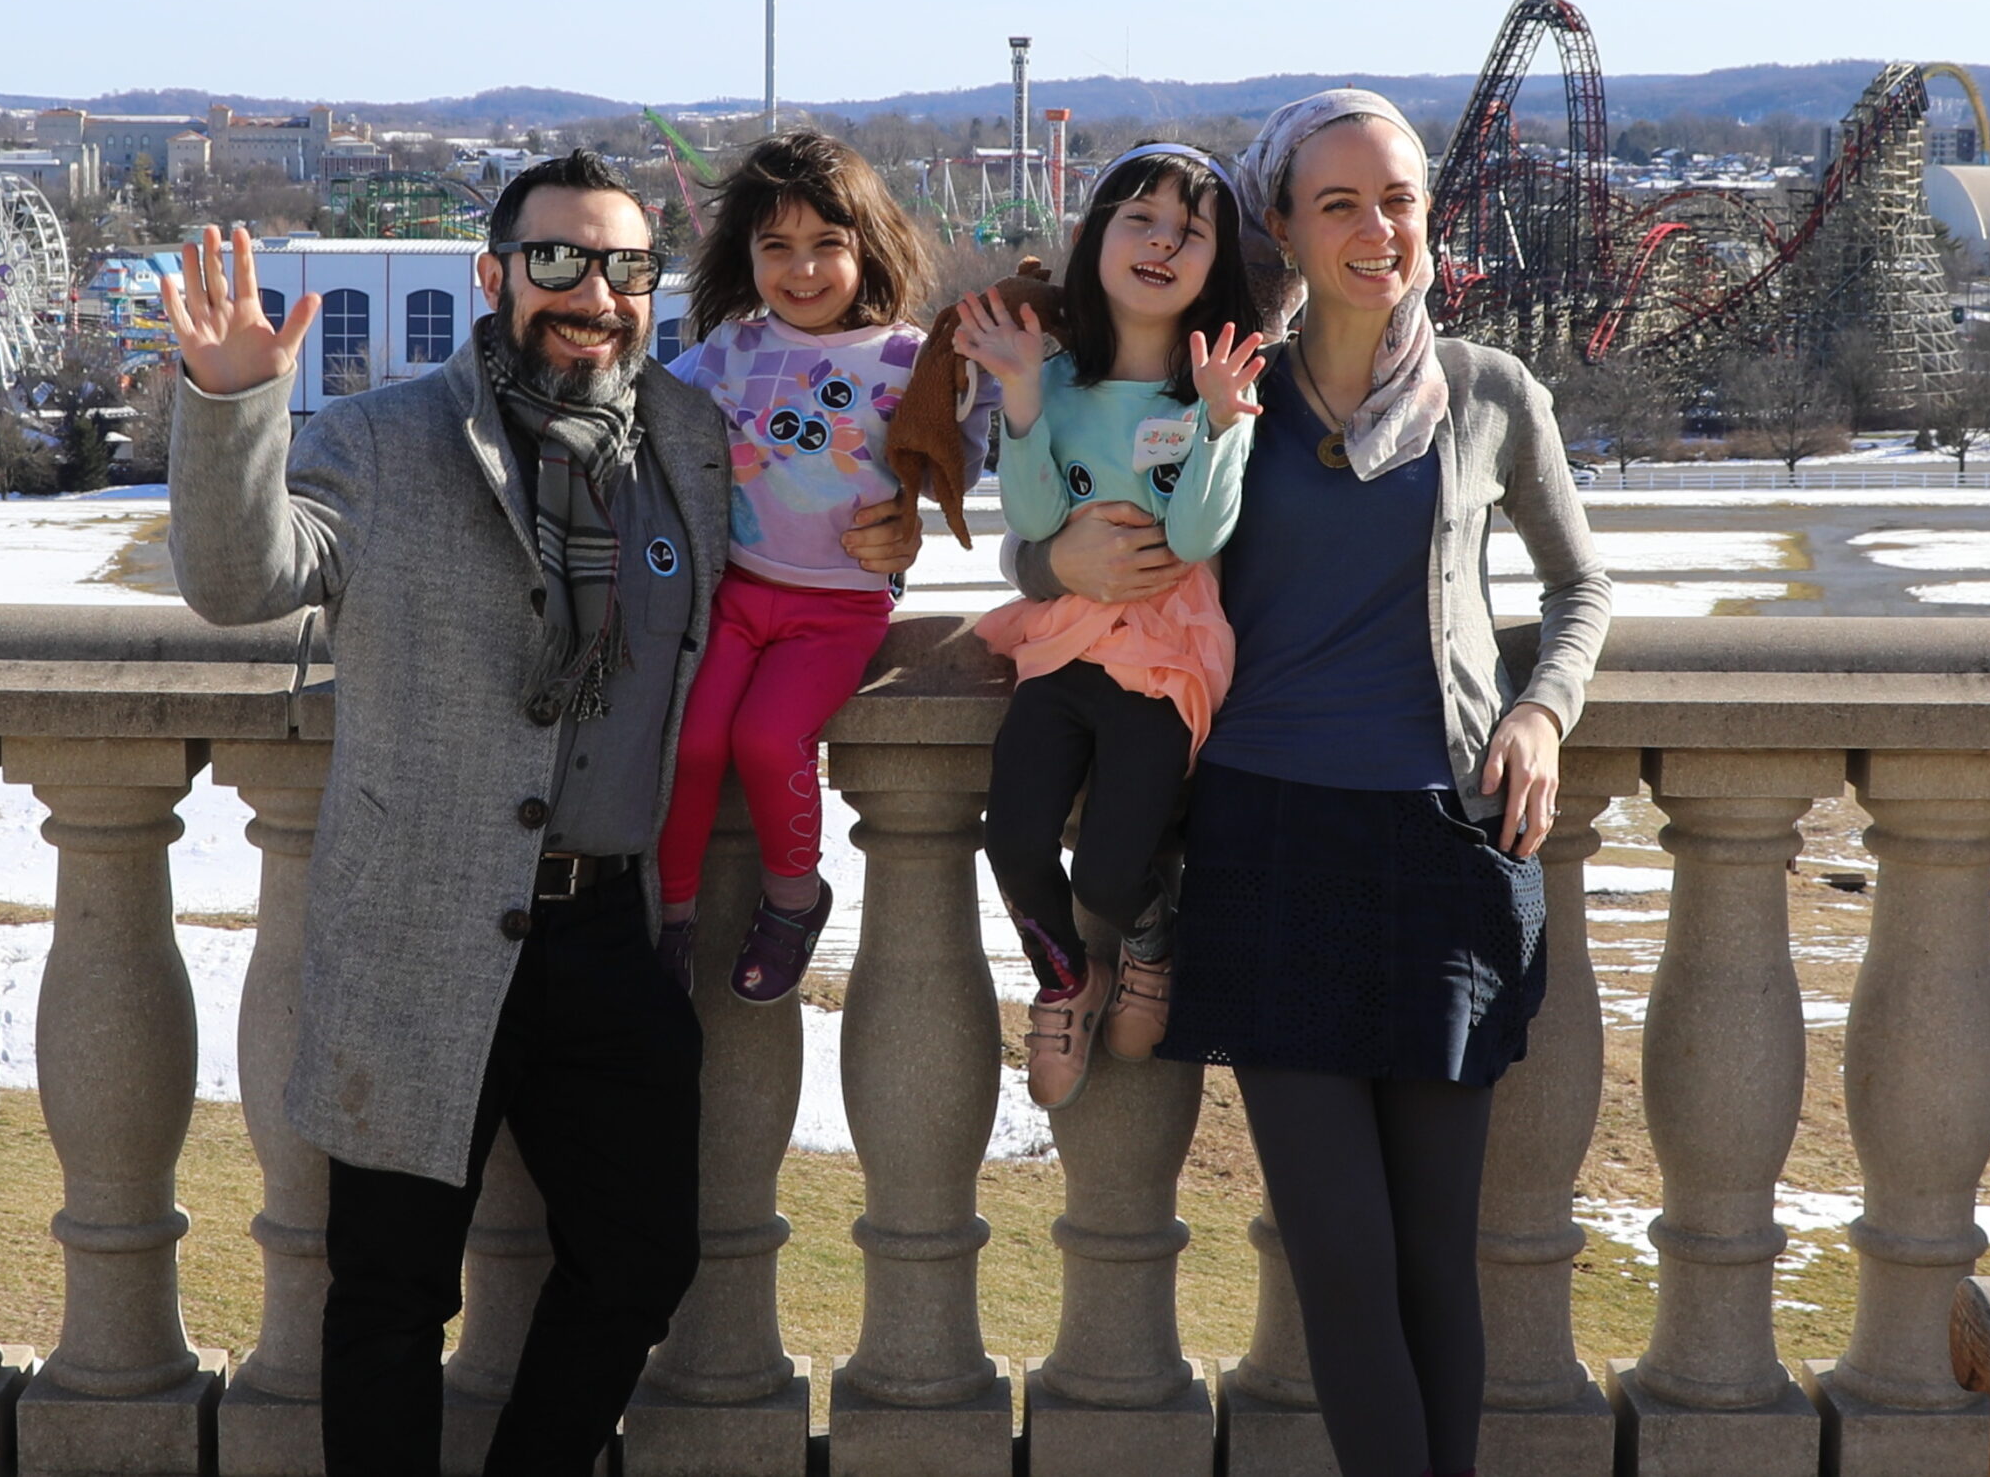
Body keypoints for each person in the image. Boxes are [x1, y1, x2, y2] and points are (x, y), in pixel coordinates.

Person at [164, 150, 919, 1474]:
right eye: (561, 260)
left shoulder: (688, 435)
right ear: (494, 275)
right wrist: (232, 407)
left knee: (642, 1257)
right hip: (415, 932)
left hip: (607, 932)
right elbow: (244, 579)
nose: (595, 293)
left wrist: (891, 526)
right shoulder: (386, 438)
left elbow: (822, 506)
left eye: (623, 266)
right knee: (392, 1291)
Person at [1010, 92, 1611, 1477]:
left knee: (1431, 1262)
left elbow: (1578, 586)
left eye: (1398, 198)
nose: (1376, 228)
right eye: (1337, 202)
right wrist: (1054, 569)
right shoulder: (1224, 394)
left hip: (1449, 850)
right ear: (1281, 224)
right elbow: (1064, 544)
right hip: (1265, 843)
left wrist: (1542, 707)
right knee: (1338, 1258)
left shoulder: (1490, 392)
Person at [954, 143, 1265, 1108]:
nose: (1164, 240)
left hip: (1165, 655)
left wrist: (1216, 427)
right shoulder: (1061, 384)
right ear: (1094, 241)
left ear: (1219, 265)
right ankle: (1062, 980)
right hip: (1062, 644)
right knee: (1011, 840)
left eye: (1191, 229)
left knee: (1110, 866)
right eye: (1140, 218)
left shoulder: (1218, 389)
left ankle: (1147, 935)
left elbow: (1197, 532)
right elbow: (1039, 520)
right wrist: (1019, 397)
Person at [656, 128, 993, 1001]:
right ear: (747, 254)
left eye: (825, 245)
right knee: (691, 745)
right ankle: (671, 919)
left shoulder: (907, 359)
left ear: (865, 246)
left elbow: (966, 450)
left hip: (839, 606)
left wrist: (998, 375)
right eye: (777, 247)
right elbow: (640, 414)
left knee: (769, 741)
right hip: (732, 593)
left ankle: (793, 900)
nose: (801, 270)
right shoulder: (729, 350)